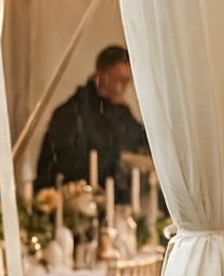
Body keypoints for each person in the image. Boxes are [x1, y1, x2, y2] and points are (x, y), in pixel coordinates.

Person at [35, 44, 150, 202]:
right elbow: (69, 164)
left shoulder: (121, 112)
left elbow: (139, 144)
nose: (124, 87)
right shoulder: (71, 113)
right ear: (101, 75)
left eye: (127, 81)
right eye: (120, 80)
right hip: (73, 201)